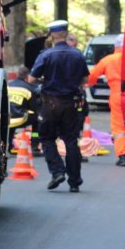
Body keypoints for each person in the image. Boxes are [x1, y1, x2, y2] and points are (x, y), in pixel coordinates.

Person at [29, 20, 89, 193]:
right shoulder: (77, 54)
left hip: (50, 103)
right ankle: (75, 181)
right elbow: (85, 80)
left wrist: (44, 79)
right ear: (66, 33)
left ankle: (57, 172)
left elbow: (32, 79)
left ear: (53, 34)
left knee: (47, 138)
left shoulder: (46, 55)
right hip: (70, 103)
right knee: (70, 140)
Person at [88, 34, 125, 166]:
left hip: (117, 95)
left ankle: (122, 156)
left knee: (119, 127)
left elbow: (91, 78)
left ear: (116, 46)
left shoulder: (107, 60)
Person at [66, 32, 90, 162]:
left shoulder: (53, 54)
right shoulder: (78, 56)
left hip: (57, 98)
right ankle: (75, 154)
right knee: (75, 128)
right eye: (73, 41)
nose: (75, 44)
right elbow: (85, 79)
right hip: (75, 97)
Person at [8, 66, 41, 155]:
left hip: (7, 118)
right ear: (27, 76)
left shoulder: (8, 85)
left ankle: (8, 145)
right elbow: (33, 108)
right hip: (19, 118)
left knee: (10, 125)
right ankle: (34, 146)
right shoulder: (29, 88)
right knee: (37, 119)